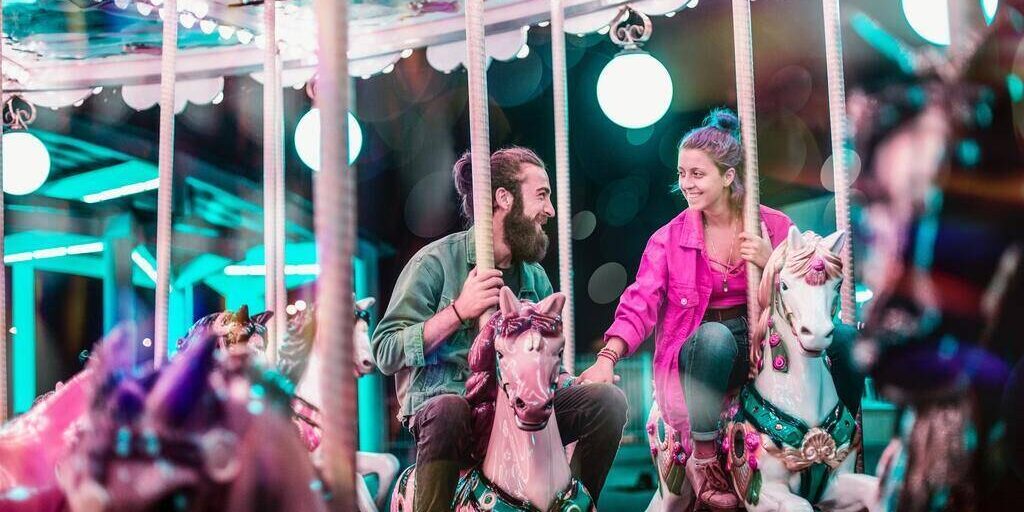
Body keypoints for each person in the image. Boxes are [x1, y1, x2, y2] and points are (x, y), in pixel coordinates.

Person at [578, 109, 862, 508]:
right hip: (704, 353)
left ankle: (847, 441)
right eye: (682, 173)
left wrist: (771, 260)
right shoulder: (669, 239)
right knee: (715, 339)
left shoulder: (776, 226)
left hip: (767, 340)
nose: (685, 184)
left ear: (728, 176)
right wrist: (609, 356)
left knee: (847, 339)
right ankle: (706, 455)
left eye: (697, 174)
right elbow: (639, 302)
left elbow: (816, 280)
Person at [371, 147, 628, 512]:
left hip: (518, 407)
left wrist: (574, 382)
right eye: (542, 195)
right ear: (503, 198)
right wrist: (459, 311)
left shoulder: (533, 276)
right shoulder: (435, 263)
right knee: (448, 411)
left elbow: (543, 360)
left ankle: (570, 503)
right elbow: (385, 351)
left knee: (607, 402)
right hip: (454, 407)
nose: (550, 210)